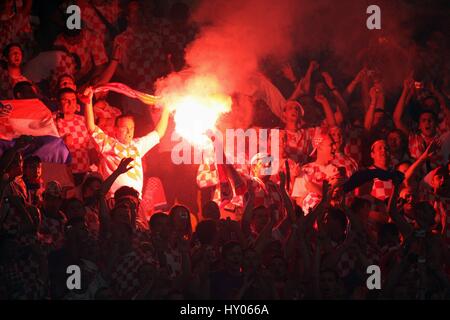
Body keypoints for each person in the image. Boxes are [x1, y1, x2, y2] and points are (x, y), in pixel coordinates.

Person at [83, 86, 170, 197]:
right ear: (115, 129)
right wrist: (88, 102)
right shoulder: (108, 144)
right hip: (114, 199)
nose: (129, 131)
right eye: (125, 128)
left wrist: (167, 107)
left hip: (135, 200)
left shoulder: (138, 145)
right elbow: (91, 127)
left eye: (132, 128)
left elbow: (159, 132)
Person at [54, 88, 96, 185]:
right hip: (63, 174)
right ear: (58, 103)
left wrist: (95, 168)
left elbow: (91, 148)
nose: (70, 103)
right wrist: (62, 143)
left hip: (84, 173)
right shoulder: (51, 120)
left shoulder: (83, 120)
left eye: (73, 100)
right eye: (66, 100)